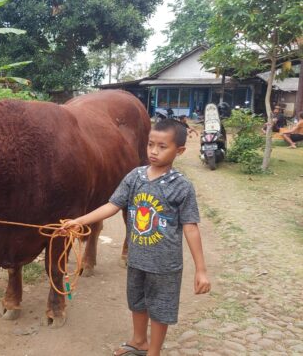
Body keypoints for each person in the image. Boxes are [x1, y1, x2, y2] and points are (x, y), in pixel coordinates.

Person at [64, 119, 211, 356]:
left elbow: (191, 227)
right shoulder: (135, 177)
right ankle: (139, 341)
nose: (154, 151)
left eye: (162, 147)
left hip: (165, 265)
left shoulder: (181, 186)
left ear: (180, 151)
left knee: (160, 309)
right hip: (137, 259)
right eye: (150, 144)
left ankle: (154, 351)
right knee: (137, 302)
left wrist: (201, 269)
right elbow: (112, 205)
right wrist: (79, 221)